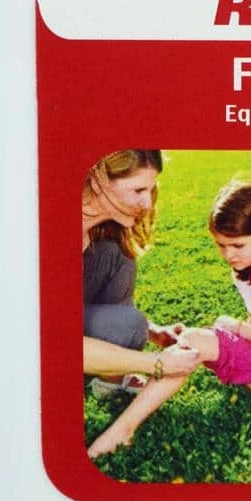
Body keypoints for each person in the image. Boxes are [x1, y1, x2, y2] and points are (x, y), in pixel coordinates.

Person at [87, 181, 251, 458]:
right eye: (221, 245)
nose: (228, 255)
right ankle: (122, 430)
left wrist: (238, 327)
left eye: (237, 245)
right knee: (191, 341)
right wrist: (239, 338)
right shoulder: (243, 266)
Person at [82, 149, 198, 388]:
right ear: (97, 181)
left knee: (117, 254)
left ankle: (111, 379)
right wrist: (157, 363)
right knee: (131, 325)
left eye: (150, 190)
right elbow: (56, 343)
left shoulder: (94, 231)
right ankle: (105, 364)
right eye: (138, 190)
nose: (147, 203)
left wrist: (154, 332)